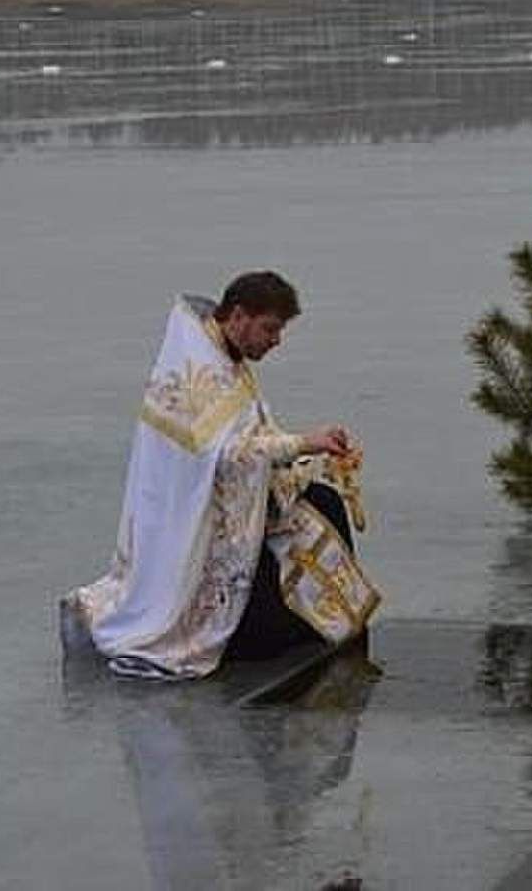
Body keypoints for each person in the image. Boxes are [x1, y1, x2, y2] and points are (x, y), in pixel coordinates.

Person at [64, 271, 380, 679]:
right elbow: (229, 456)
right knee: (278, 626)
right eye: (270, 328)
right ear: (239, 316)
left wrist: (303, 456)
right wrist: (302, 444)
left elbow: (248, 438)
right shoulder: (199, 372)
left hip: (234, 505)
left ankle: (325, 625)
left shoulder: (222, 357)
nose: (276, 340)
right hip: (197, 528)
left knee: (322, 501)